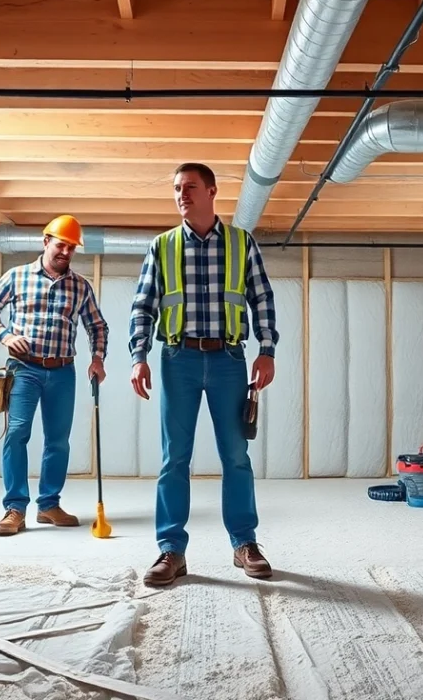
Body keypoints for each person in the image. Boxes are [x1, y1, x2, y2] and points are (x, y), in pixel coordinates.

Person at [128, 162, 279, 587]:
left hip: (230, 360)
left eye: (190, 187)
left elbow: (261, 297)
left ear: (212, 192)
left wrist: (267, 350)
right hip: (178, 360)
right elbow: (143, 305)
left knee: (236, 456)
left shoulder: (240, 243)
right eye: (176, 188)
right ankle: (171, 550)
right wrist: (138, 355)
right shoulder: (162, 246)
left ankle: (245, 543)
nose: (181, 195)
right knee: (174, 458)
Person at [0, 214, 109, 536]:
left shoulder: (80, 286)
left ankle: (49, 505)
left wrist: (97, 359)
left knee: (58, 441)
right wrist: (7, 336)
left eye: (71, 248)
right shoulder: (17, 276)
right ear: (46, 241)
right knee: (17, 434)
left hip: (63, 371)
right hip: (24, 369)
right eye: (61, 245)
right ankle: (15, 508)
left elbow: (97, 326)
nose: (65, 252)